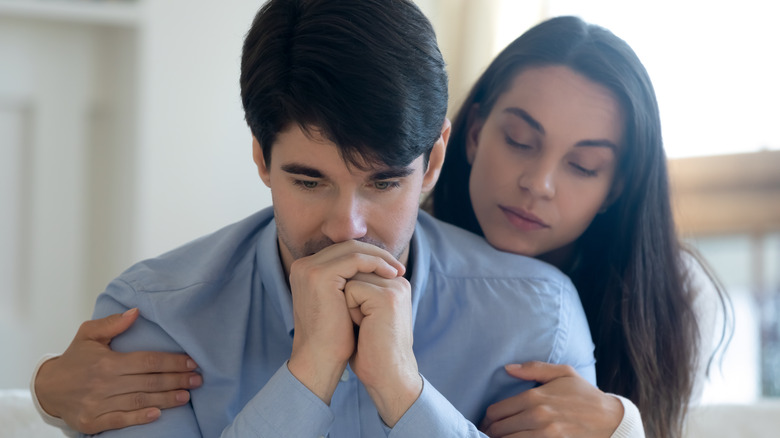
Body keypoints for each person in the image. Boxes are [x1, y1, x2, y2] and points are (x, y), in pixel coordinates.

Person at [30, 2, 596, 437]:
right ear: (260, 157)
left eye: (383, 182)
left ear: (434, 162)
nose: (346, 228)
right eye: (308, 181)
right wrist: (310, 370)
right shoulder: (157, 318)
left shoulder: (539, 321)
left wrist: (403, 389)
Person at [426, 15, 730, 438]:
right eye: (519, 140)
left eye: (583, 166)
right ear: (474, 133)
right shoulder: (401, 246)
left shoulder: (675, 297)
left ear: (613, 189)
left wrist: (620, 425)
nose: (539, 183)